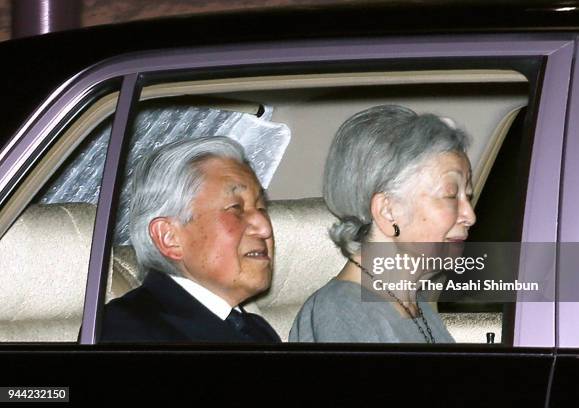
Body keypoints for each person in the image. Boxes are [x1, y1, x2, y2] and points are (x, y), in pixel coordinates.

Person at [289, 105, 476, 343]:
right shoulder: (343, 315)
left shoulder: (415, 305)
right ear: (388, 212)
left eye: (467, 196)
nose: (470, 216)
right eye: (451, 195)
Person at [101, 136, 280, 343]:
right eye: (235, 208)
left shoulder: (258, 330)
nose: (265, 227)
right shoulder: (127, 331)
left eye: (261, 208)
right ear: (169, 237)